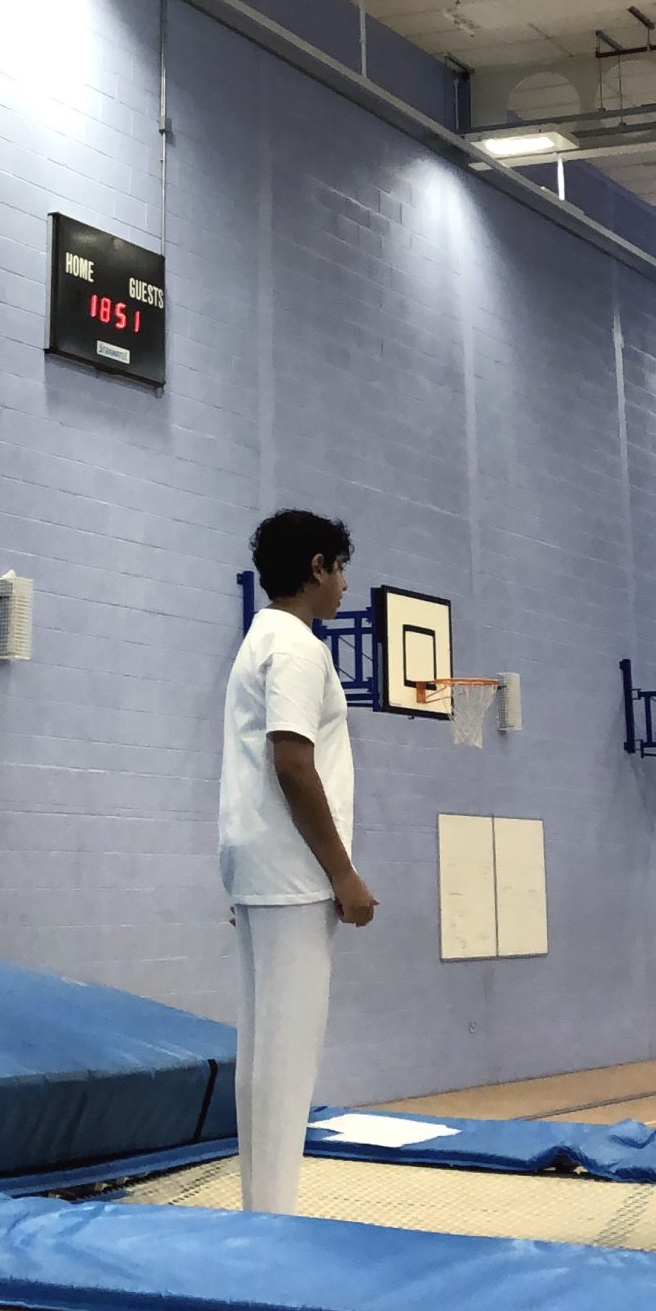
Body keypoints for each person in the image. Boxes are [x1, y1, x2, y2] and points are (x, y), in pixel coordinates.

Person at [219, 509, 375, 1215]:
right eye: (341, 571)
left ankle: (262, 1210)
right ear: (317, 567)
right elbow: (292, 761)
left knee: (263, 1052)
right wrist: (342, 872)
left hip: (257, 863)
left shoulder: (258, 639)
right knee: (287, 1057)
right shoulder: (296, 648)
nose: (344, 587)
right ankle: (273, 1219)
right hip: (293, 870)